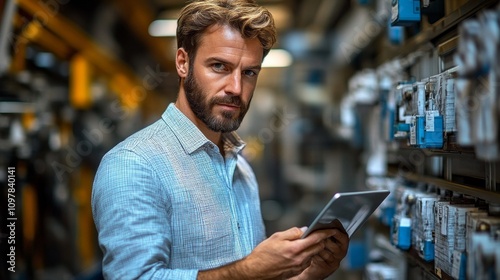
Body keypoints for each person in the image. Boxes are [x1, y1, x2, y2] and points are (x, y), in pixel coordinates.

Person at [91, 0, 349, 279]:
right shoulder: (133, 165)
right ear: (183, 63)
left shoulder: (240, 168)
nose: (236, 88)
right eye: (219, 66)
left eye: (249, 72)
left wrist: (310, 275)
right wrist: (250, 269)